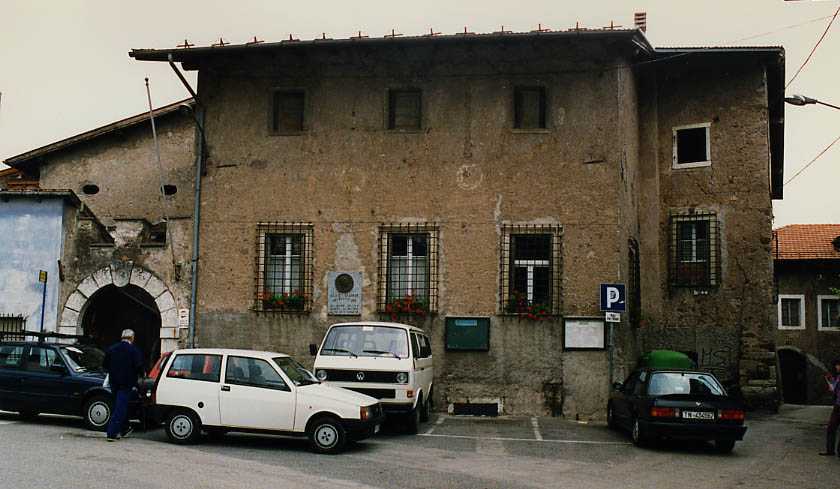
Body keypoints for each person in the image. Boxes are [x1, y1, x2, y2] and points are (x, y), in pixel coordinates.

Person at [102, 329, 144, 442]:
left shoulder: (112, 349)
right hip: (127, 382)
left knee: (119, 405)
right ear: (132, 338)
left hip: (113, 381)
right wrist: (141, 376)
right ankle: (112, 433)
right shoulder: (134, 351)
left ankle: (125, 428)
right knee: (120, 407)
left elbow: (105, 365)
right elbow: (139, 366)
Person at [819, 359, 840, 457]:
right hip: (838, 405)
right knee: (832, 428)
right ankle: (832, 451)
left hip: (838, 405)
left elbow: (833, 388)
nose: (836, 367)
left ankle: (831, 450)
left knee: (831, 428)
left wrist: (828, 380)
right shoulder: (838, 377)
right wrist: (831, 379)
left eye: (838, 365)